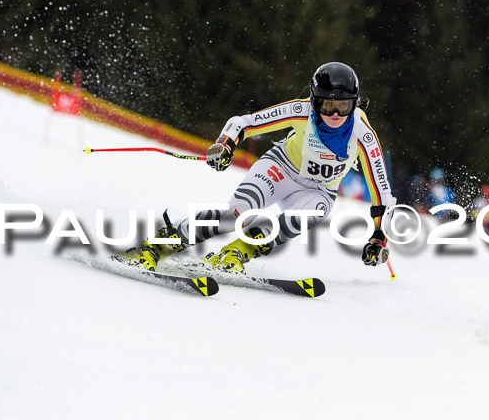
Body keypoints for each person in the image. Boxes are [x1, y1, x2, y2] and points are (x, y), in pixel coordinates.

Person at [116, 62, 395, 273]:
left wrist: (378, 236)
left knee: (311, 214)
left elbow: (381, 193)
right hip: (280, 170)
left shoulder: (363, 136)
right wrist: (225, 144)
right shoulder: (301, 111)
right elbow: (244, 122)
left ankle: (235, 253)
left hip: (319, 191)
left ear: (355, 103)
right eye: (327, 105)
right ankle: (155, 247)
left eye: (343, 106)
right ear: (314, 101)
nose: (335, 114)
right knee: (237, 215)